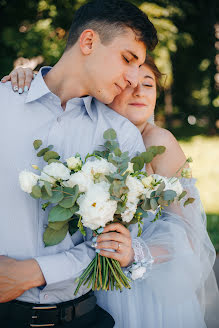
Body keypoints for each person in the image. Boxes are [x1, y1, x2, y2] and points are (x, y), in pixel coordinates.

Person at [6, 54, 219, 328]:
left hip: (143, 289)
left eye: (148, 84)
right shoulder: (91, 135)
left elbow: (190, 235)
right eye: (129, 85)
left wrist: (135, 253)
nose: (139, 91)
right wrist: (25, 78)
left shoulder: (159, 142)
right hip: (93, 286)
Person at [0, 0, 158, 327]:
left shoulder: (122, 137)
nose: (132, 79)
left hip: (82, 318)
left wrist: (34, 272)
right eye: (127, 59)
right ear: (88, 42)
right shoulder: (4, 105)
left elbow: (116, 243)